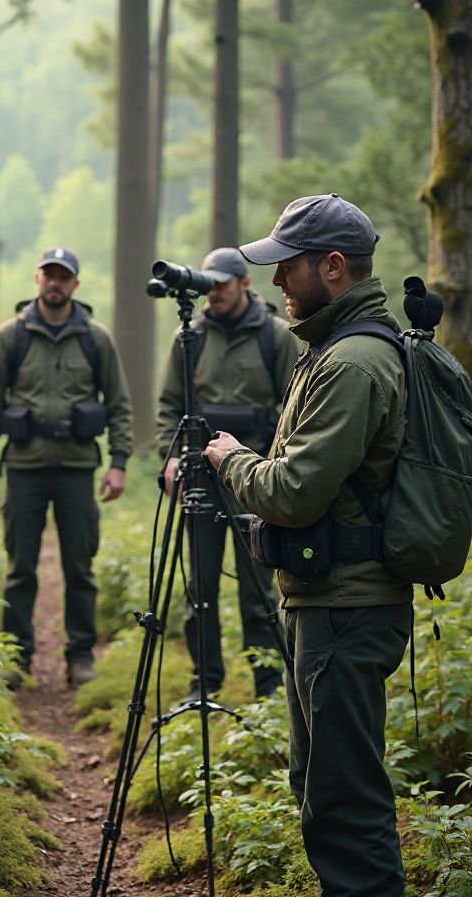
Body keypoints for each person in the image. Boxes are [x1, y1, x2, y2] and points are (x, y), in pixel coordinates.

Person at [206, 194, 412, 897]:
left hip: (347, 607)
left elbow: (294, 491)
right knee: (322, 791)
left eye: (286, 268)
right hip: (324, 602)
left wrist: (231, 459)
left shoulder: (353, 363)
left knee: (346, 808)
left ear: (332, 268)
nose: (274, 284)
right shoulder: (333, 350)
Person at [0, 247, 133, 688]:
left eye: (64, 276)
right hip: (24, 466)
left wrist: (118, 464)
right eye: (48, 275)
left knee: (80, 567)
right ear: (37, 279)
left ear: (75, 283)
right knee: (20, 566)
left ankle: (80, 656)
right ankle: (17, 658)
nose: (55, 283)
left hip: (78, 467)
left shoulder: (95, 339)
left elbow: (118, 406)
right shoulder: (11, 336)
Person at [156, 247, 299, 701]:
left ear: (245, 284)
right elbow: (168, 408)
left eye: (222, 284)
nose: (213, 292)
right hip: (201, 477)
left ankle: (268, 686)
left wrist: (275, 465)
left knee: (259, 583)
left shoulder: (277, 337)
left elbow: (294, 407)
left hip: (257, 477)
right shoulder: (189, 337)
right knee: (199, 587)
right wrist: (172, 457)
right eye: (209, 283)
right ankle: (205, 683)